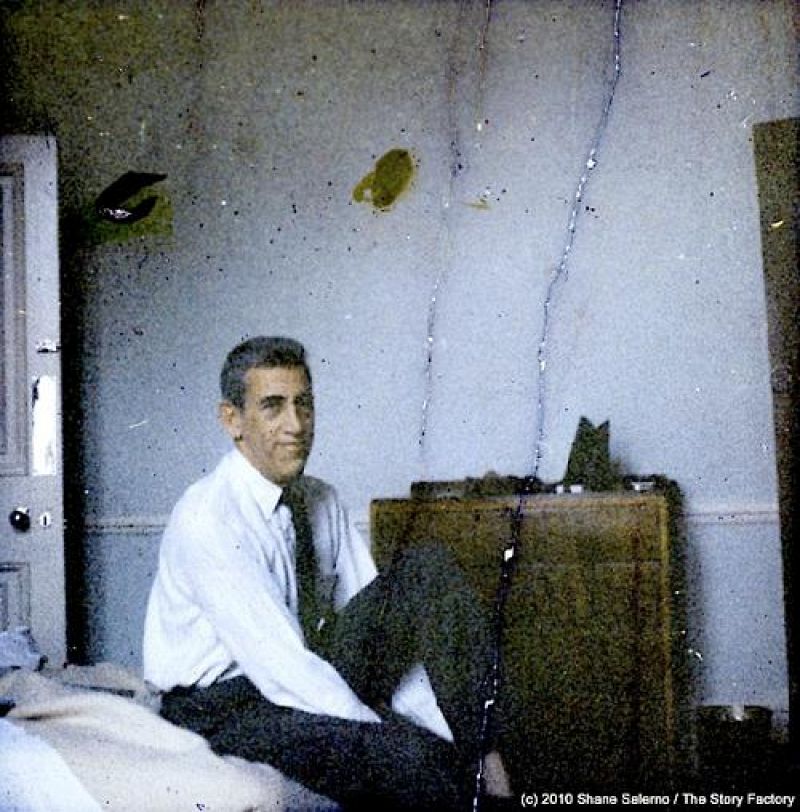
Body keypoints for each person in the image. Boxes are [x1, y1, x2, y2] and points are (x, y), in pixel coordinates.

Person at [143, 336, 509, 810]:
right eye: (273, 407)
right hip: (223, 708)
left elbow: (387, 629)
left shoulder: (320, 499)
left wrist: (453, 735)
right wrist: (388, 734)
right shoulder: (210, 517)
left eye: (304, 404)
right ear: (232, 420)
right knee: (410, 759)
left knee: (426, 570)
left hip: (297, 670)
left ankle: (494, 768)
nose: (296, 425)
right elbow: (283, 669)